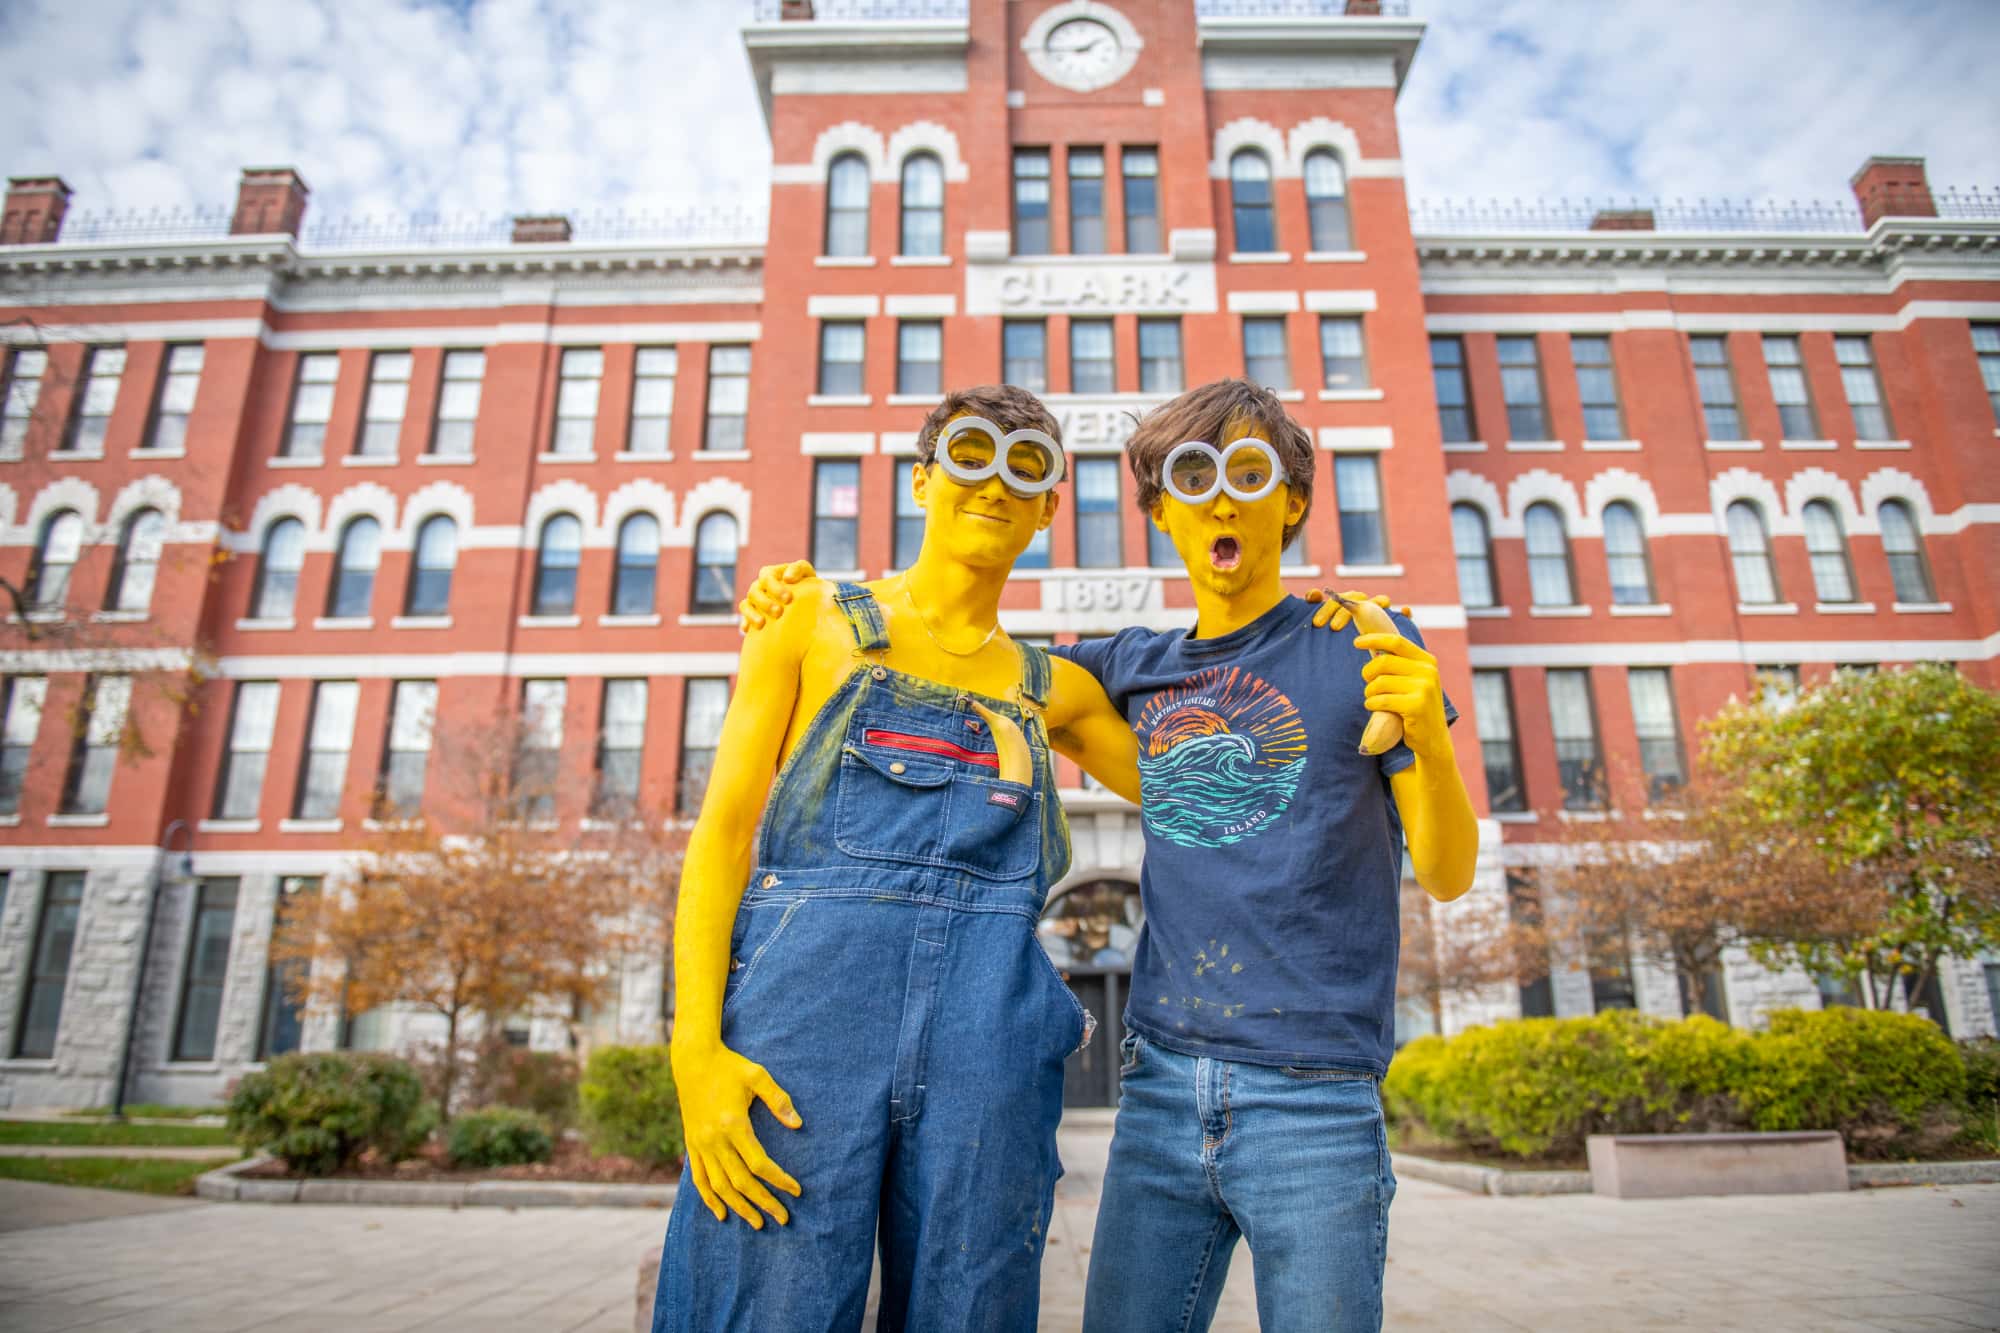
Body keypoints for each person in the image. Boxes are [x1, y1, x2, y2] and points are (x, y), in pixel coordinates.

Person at [742, 377, 1477, 1332]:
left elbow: (1452, 869)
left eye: (1250, 473)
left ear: (1292, 501)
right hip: (1163, 1085)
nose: (1222, 497)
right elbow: (959, 650)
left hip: (1319, 1096)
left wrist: (1431, 726)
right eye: (1193, 476)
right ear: (1160, 509)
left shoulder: (1366, 647)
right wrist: (803, 600)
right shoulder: (1128, 666)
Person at [653, 385, 1144, 1332]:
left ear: (1050, 508)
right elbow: (718, 838)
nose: (994, 482)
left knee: (973, 1306)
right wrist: (695, 1052)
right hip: (800, 1036)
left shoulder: (1061, 690)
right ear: (923, 478)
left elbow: (1209, 801)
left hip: (988, 1051)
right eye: (971, 452)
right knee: (763, 1305)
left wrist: (1331, 658)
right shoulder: (809, 620)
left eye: (1027, 464)